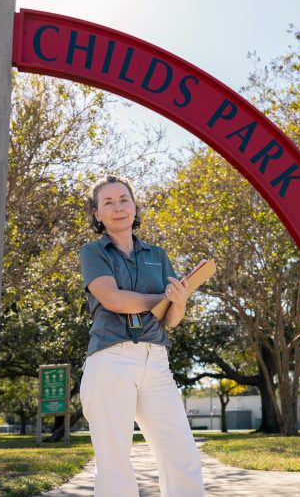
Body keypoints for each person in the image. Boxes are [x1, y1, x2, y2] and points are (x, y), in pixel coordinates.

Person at [79, 175, 205, 497]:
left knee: (183, 457)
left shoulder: (158, 254)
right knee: (115, 466)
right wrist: (160, 300)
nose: (118, 207)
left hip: (156, 361)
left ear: (134, 207)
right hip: (110, 360)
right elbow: (113, 299)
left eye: (124, 199)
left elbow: (172, 320)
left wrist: (178, 301)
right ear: (97, 214)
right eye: (107, 202)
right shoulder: (93, 252)